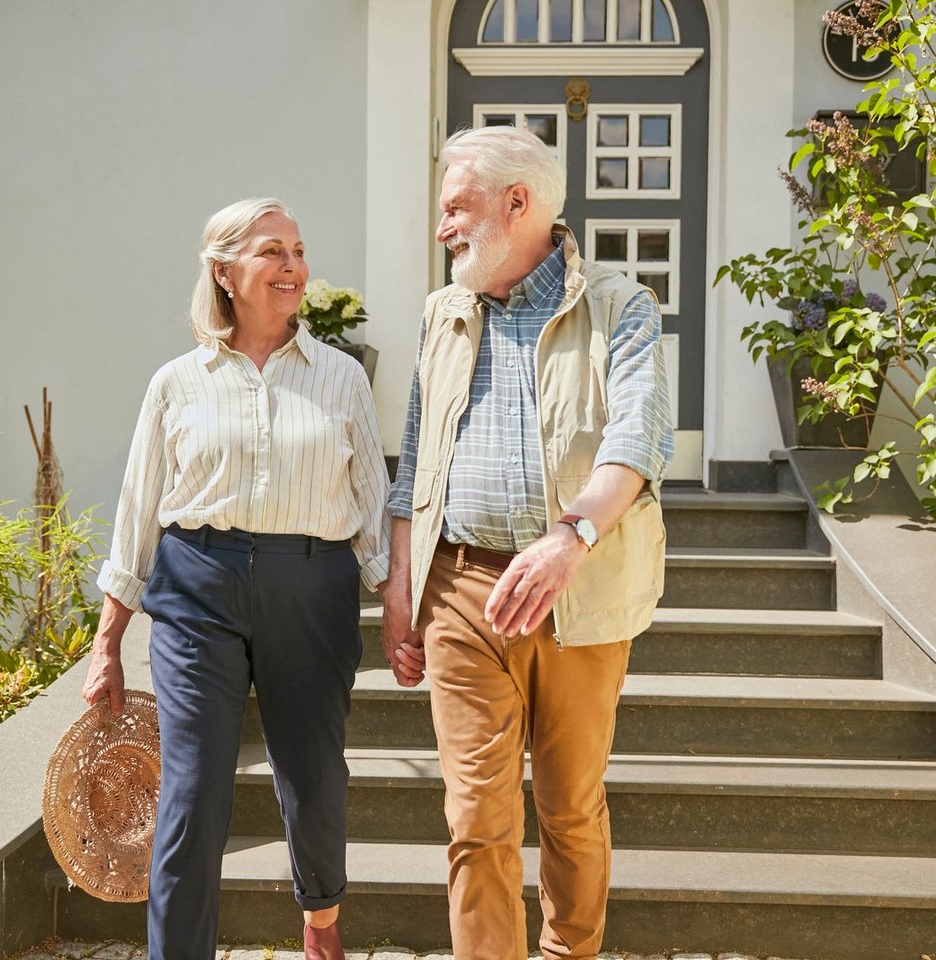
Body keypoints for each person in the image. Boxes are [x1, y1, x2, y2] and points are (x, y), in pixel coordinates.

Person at [381, 127, 674, 960]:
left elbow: (639, 442)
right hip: (461, 590)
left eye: (456, 207)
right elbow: (416, 458)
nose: (442, 228)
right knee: (476, 817)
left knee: (570, 806)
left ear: (518, 204)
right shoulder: (445, 313)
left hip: (576, 592)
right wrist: (402, 586)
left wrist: (570, 536)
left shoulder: (621, 306)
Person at [82, 197, 389, 960]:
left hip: (311, 587)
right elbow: (138, 509)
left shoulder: (343, 378)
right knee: (192, 792)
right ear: (224, 272)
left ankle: (321, 918)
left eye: (297, 251)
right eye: (271, 252)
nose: (292, 267)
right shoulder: (176, 383)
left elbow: (372, 505)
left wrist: (402, 605)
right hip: (197, 587)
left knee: (313, 779)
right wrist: (106, 641)